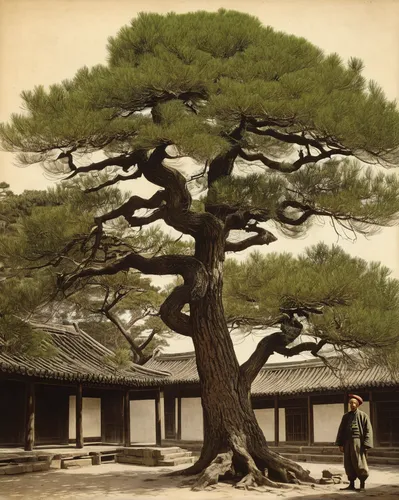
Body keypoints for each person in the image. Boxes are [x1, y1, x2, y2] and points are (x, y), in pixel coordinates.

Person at [335, 394, 373, 491]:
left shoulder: (363, 416)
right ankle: (351, 484)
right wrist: (340, 444)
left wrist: (366, 444)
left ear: (358, 405)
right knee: (348, 463)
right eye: (350, 403)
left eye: (354, 403)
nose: (352, 405)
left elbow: (368, 430)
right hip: (347, 443)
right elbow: (341, 430)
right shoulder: (345, 417)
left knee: (359, 463)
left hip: (358, 443)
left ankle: (362, 485)